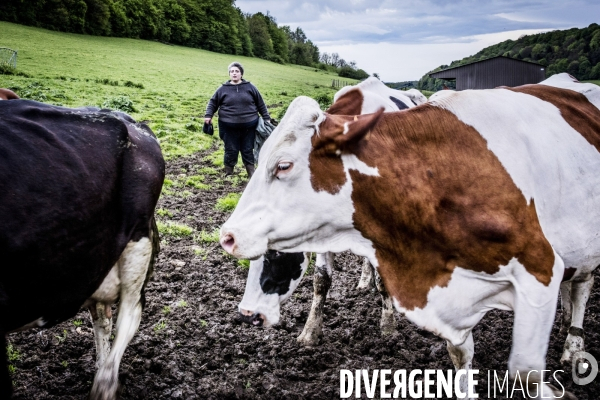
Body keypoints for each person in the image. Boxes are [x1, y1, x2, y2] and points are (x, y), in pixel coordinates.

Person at [204, 62, 271, 178]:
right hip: (228, 126)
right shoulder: (222, 89)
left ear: (241, 74)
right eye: (232, 71)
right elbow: (213, 102)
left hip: (249, 126)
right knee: (231, 149)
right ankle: (228, 172)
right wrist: (208, 115)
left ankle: (251, 173)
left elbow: (260, 103)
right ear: (229, 74)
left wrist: (266, 118)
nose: (234, 73)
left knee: (247, 149)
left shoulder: (250, 87)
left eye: (237, 71)